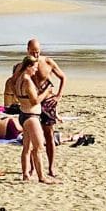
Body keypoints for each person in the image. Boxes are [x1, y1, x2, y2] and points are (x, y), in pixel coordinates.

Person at [9, 56, 56, 183]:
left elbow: (12, 85)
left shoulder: (17, 80)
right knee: (38, 147)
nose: (36, 71)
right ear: (28, 67)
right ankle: (42, 177)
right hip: (31, 116)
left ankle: (25, 174)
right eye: (34, 68)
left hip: (24, 114)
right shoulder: (27, 81)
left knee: (27, 147)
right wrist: (46, 92)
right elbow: (34, 101)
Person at [27, 38, 66, 177]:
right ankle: (32, 168)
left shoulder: (47, 62)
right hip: (33, 103)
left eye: (37, 52)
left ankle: (51, 167)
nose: (36, 55)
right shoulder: (25, 65)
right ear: (27, 51)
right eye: (33, 52)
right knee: (32, 137)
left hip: (48, 103)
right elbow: (14, 81)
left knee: (49, 135)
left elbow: (63, 77)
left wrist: (59, 96)